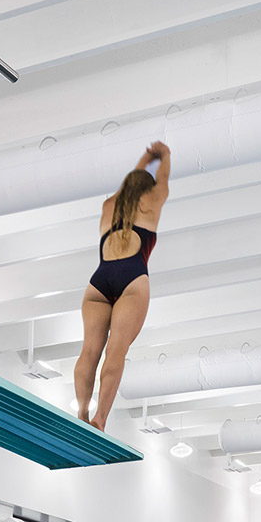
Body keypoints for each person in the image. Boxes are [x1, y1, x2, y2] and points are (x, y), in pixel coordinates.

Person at [73, 141, 170, 428]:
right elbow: (163, 180)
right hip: (132, 279)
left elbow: (128, 183)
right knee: (116, 349)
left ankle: (81, 414)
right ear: (147, 189)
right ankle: (100, 417)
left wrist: (144, 158)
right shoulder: (152, 201)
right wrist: (165, 155)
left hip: (99, 283)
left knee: (89, 349)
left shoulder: (109, 206)